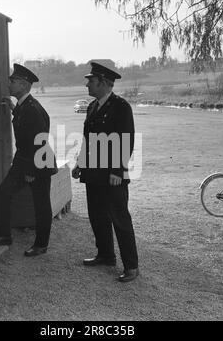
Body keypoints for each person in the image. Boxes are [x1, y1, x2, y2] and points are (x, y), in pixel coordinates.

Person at [72, 62, 139, 282]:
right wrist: (80, 163)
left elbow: (125, 141)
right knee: (97, 216)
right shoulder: (92, 107)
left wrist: (118, 171)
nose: (87, 84)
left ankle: (131, 267)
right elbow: (87, 139)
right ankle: (106, 255)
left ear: (103, 83)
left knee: (119, 219)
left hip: (112, 174)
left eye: (91, 81)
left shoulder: (121, 107)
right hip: (93, 173)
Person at [0, 64, 58, 257]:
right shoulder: (25, 106)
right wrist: (14, 108)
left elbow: (39, 142)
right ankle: (3, 235)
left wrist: (31, 172)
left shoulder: (32, 109)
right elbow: (25, 127)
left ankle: (41, 244)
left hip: (38, 164)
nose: (9, 83)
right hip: (25, 160)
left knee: (41, 204)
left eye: (13, 81)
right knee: (3, 192)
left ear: (24, 85)